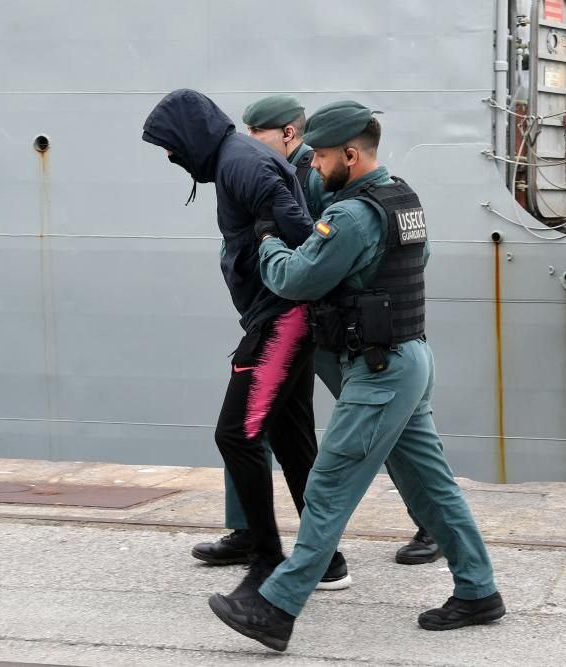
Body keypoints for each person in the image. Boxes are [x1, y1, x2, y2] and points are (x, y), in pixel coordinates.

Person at [208, 100, 505, 652]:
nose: (314, 167)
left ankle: (274, 606)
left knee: (328, 486)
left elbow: (295, 278)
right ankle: (478, 589)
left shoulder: (352, 217)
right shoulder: (400, 197)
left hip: (377, 370)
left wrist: (268, 239)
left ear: (350, 154)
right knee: (431, 485)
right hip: (409, 358)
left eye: (320, 157)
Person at [193, 94, 442, 568]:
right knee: (262, 420)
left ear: (288, 134)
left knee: (386, 427)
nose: (249, 143)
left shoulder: (314, 176)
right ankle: (248, 528)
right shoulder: (275, 172)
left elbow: (366, 242)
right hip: (301, 322)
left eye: (257, 133)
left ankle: (427, 523)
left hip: (326, 326)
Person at [141, 89, 350, 596]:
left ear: (191, 136)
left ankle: (265, 558)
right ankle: (327, 561)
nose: (169, 157)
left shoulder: (243, 165)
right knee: (291, 438)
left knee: (236, 434)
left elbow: (305, 236)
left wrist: (272, 256)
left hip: (281, 322)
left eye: (170, 146)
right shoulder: (239, 160)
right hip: (285, 316)